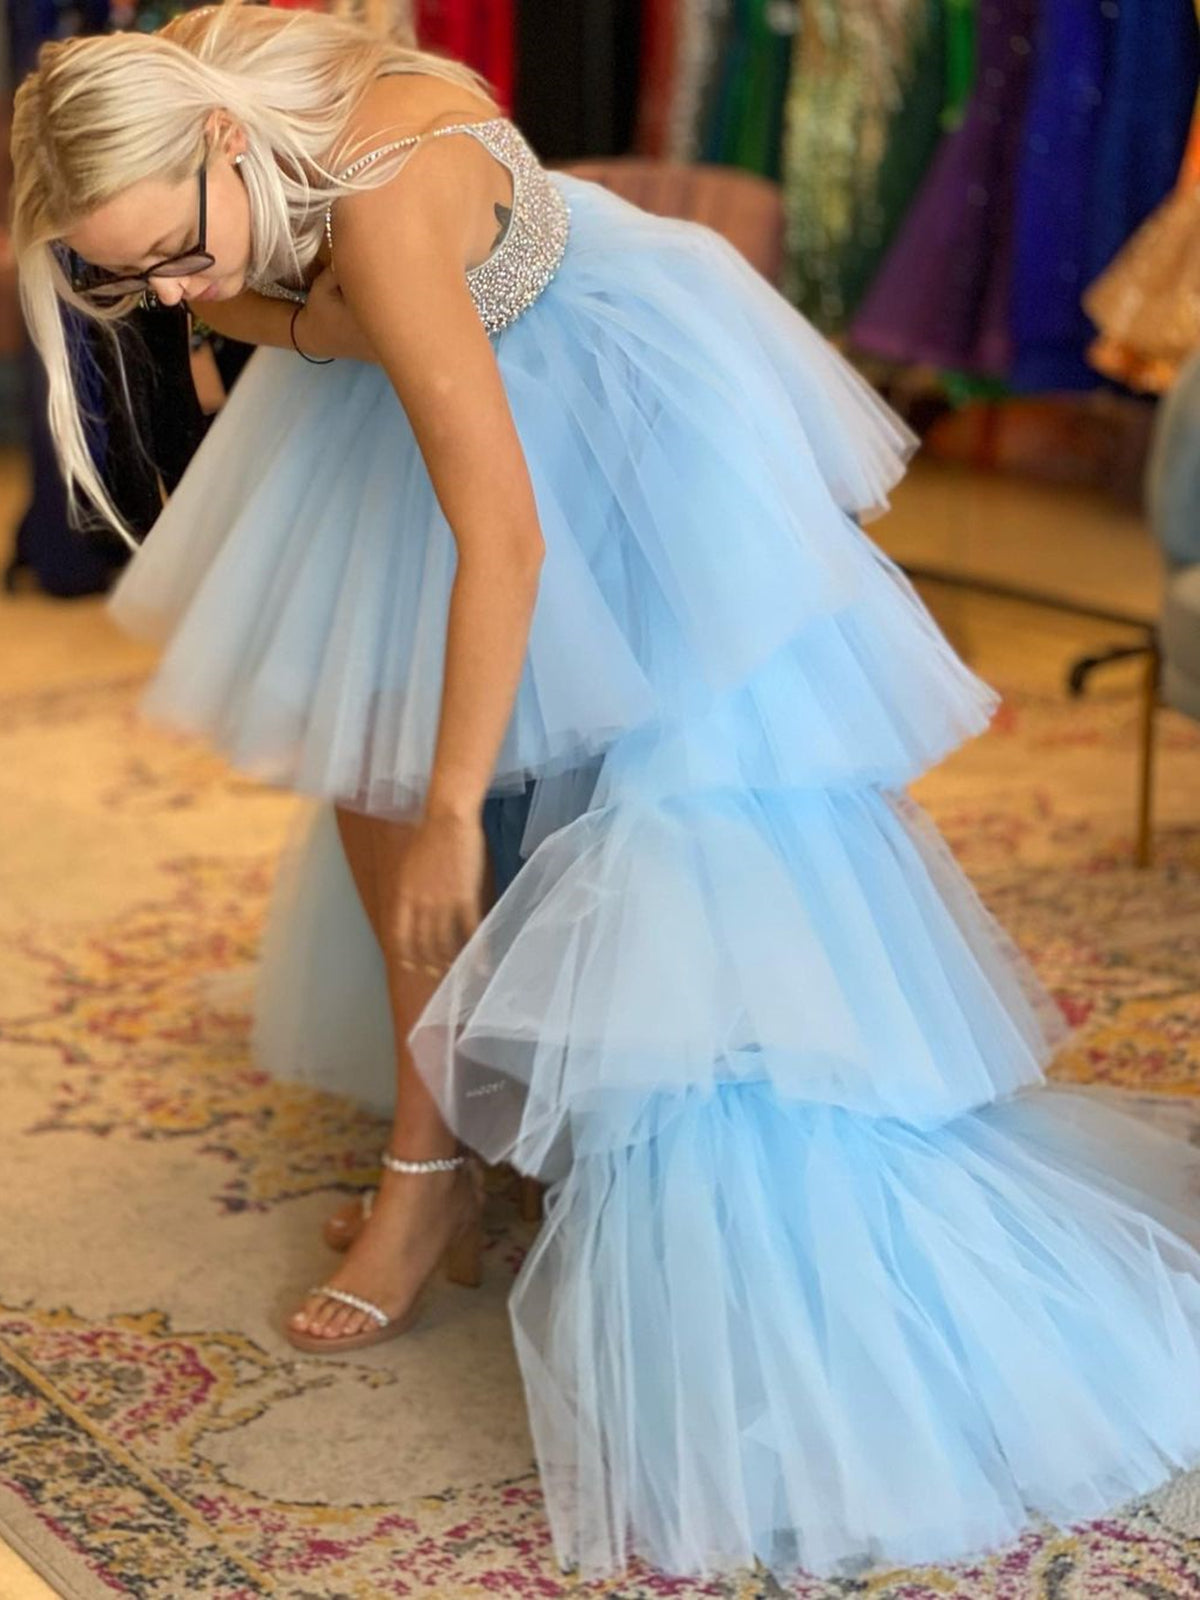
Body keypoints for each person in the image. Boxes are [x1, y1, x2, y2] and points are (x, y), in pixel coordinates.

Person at [11, 0, 1200, 1585]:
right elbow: (263, 313)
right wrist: (307, 331)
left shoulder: (379, 201)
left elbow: (504, 538)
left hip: (624, 426)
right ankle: (426, 1171)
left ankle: (653, 1118)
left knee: (674, 808)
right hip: (418, 388)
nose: (175, 295)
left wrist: (459, 805)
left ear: (227, 140)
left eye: (174, 252)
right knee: (373, 738)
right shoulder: (209, 78)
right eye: (137, 275)